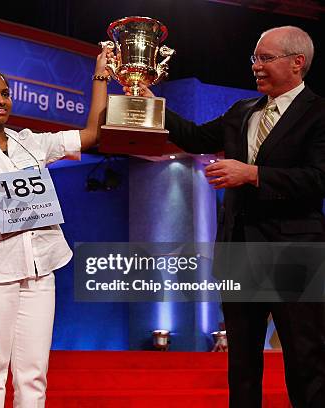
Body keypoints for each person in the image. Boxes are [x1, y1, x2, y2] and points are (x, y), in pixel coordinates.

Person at [129, 26, 325, 407]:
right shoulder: (243, 111)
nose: (256, 66)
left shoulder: (319, 113)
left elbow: (319, 178)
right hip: (239, 254)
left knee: (307, 361)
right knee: (242, 365)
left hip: (294, 254)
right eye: (254, 58)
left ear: (297, 63)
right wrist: (149, 103)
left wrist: (252, 174)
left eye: (265, 58)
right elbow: (195, 138)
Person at [0, 47, 112, 407]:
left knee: (33, 374)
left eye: (5, 93)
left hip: (39, 271)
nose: (1, 101)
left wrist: (101, 76)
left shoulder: (31, 143)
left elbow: (92, 134)